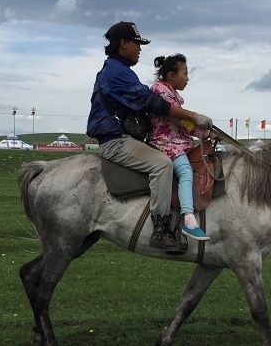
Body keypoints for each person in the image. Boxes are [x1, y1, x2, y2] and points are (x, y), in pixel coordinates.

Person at [87, 21, 213, 252]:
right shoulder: (117, 72)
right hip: (116, 141)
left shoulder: (120, 70)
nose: (140, 49)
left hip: (123, 137)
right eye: (137, 44)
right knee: (162, 164)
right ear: (124, 44)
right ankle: (161, 230)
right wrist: (193, 116)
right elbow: (152, 103)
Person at [148, 54, 210, 241]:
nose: (188, 78)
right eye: (185, 73)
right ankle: (189, 220)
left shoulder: (172, 93)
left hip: (177, 142)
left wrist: (206, 134)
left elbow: (184, 124)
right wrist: (201, 127)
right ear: (171, 75)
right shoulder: (160, 90)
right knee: (185, 172)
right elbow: (179, 119)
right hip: (165, 143)